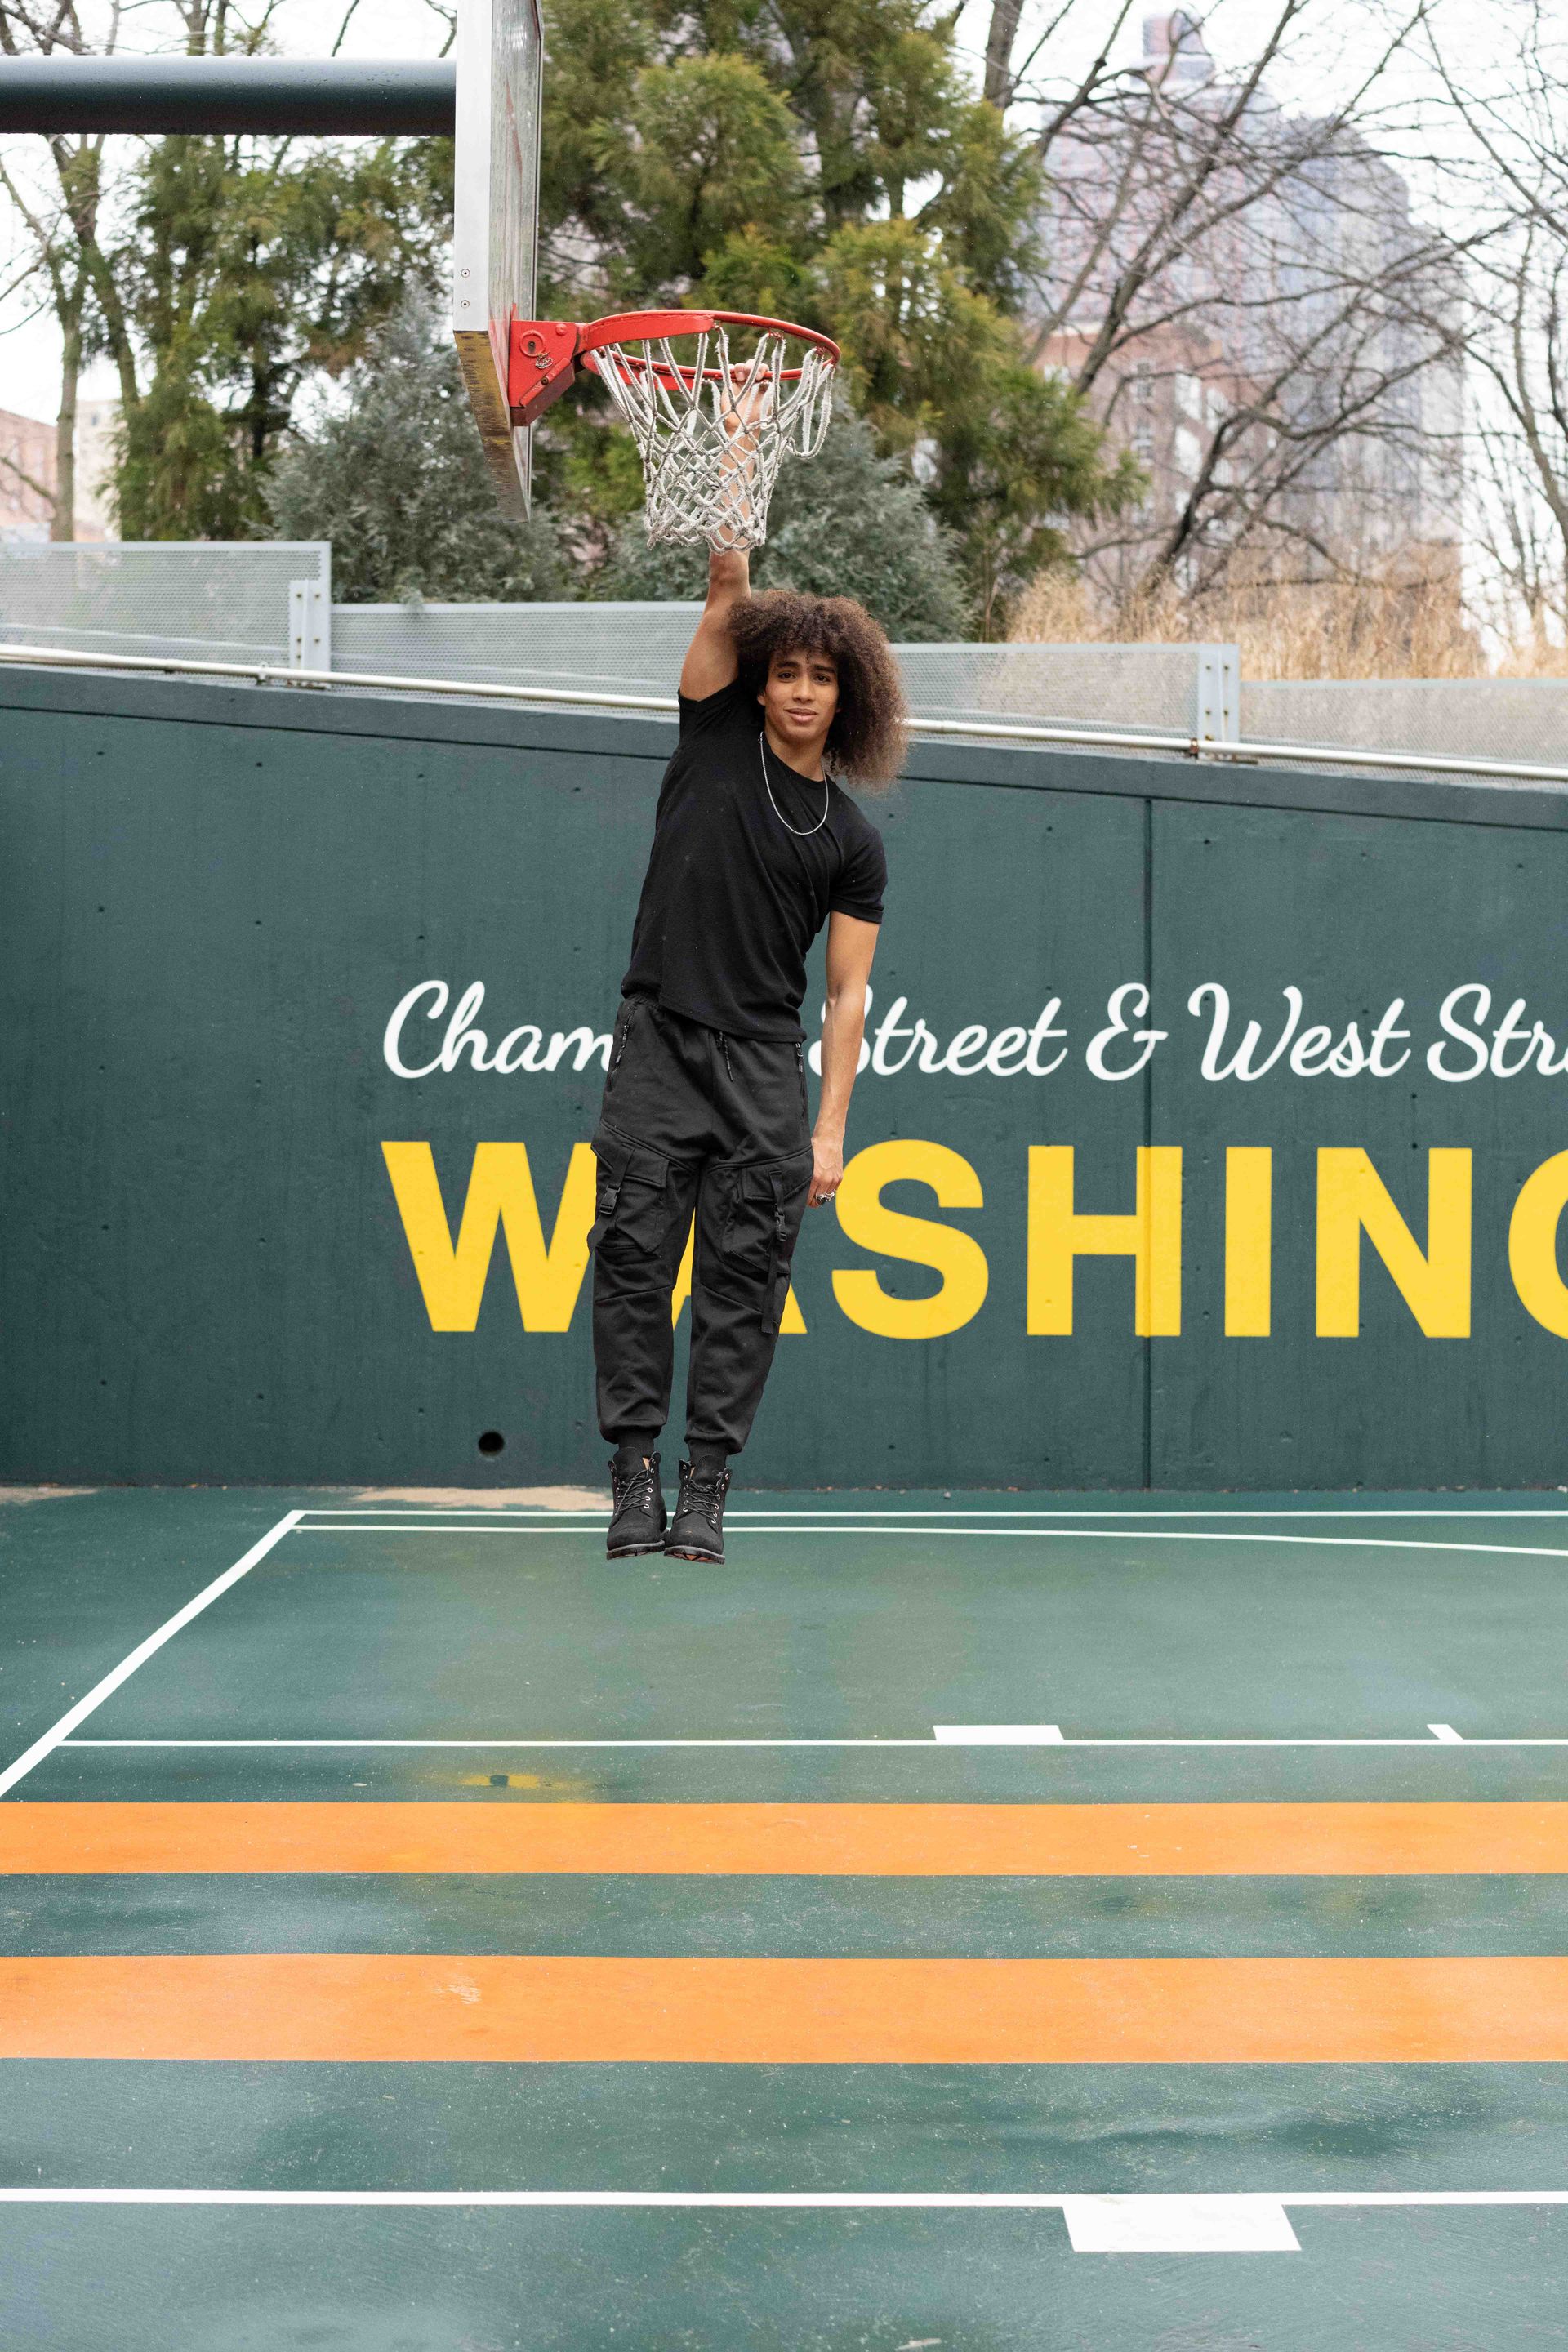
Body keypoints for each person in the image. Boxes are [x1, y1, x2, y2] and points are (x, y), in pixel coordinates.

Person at [590, 547, 906, 1563]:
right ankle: (633, 1481)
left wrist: (830, 1130)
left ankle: (706, 1492)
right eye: (788, 672)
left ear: (845, 697)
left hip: (764, 1072)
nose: (802, 690)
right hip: (660, 1045)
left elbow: (848, 993)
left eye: (822, 677)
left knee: (744, 1288)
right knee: (635, 1267)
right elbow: (727, 589)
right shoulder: (714, 731)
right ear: (760, 683)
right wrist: (737, 460)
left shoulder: (852, 841)